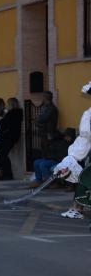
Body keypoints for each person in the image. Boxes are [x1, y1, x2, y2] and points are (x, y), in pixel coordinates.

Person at [54, 81, 91, 221]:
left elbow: (86, 132)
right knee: (84, 181)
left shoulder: (89, 113)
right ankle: (77, 208)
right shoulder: (89, 113)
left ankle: (77, 209)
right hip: (87, 152)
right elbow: (85, 133)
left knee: (85, 181)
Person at [0, 98, 23, 181]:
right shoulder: (15, 113)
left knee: (3, 155)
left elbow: (5, 123)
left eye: (8, 104)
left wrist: (0, 121)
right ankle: (4, 173)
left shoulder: (12, 113)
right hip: (9, 136)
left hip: (8, 137)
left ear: (11, 104)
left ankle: (8, 174)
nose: (6, 105)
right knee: (2, 155)